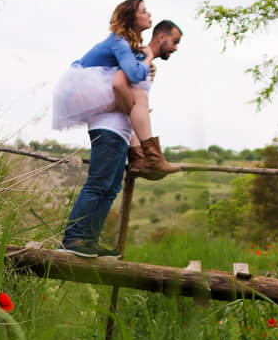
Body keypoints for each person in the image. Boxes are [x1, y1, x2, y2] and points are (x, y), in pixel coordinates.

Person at [58, 16, 185, 256]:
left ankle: (89, 241)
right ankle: (73, 239)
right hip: (108, 128)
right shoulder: (138, 57)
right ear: (161, 37)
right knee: (98, 185)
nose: (176, 48)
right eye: (175, 41)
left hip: (121, 133)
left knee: (110, 188)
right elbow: (117, 86)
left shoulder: (144, 64)